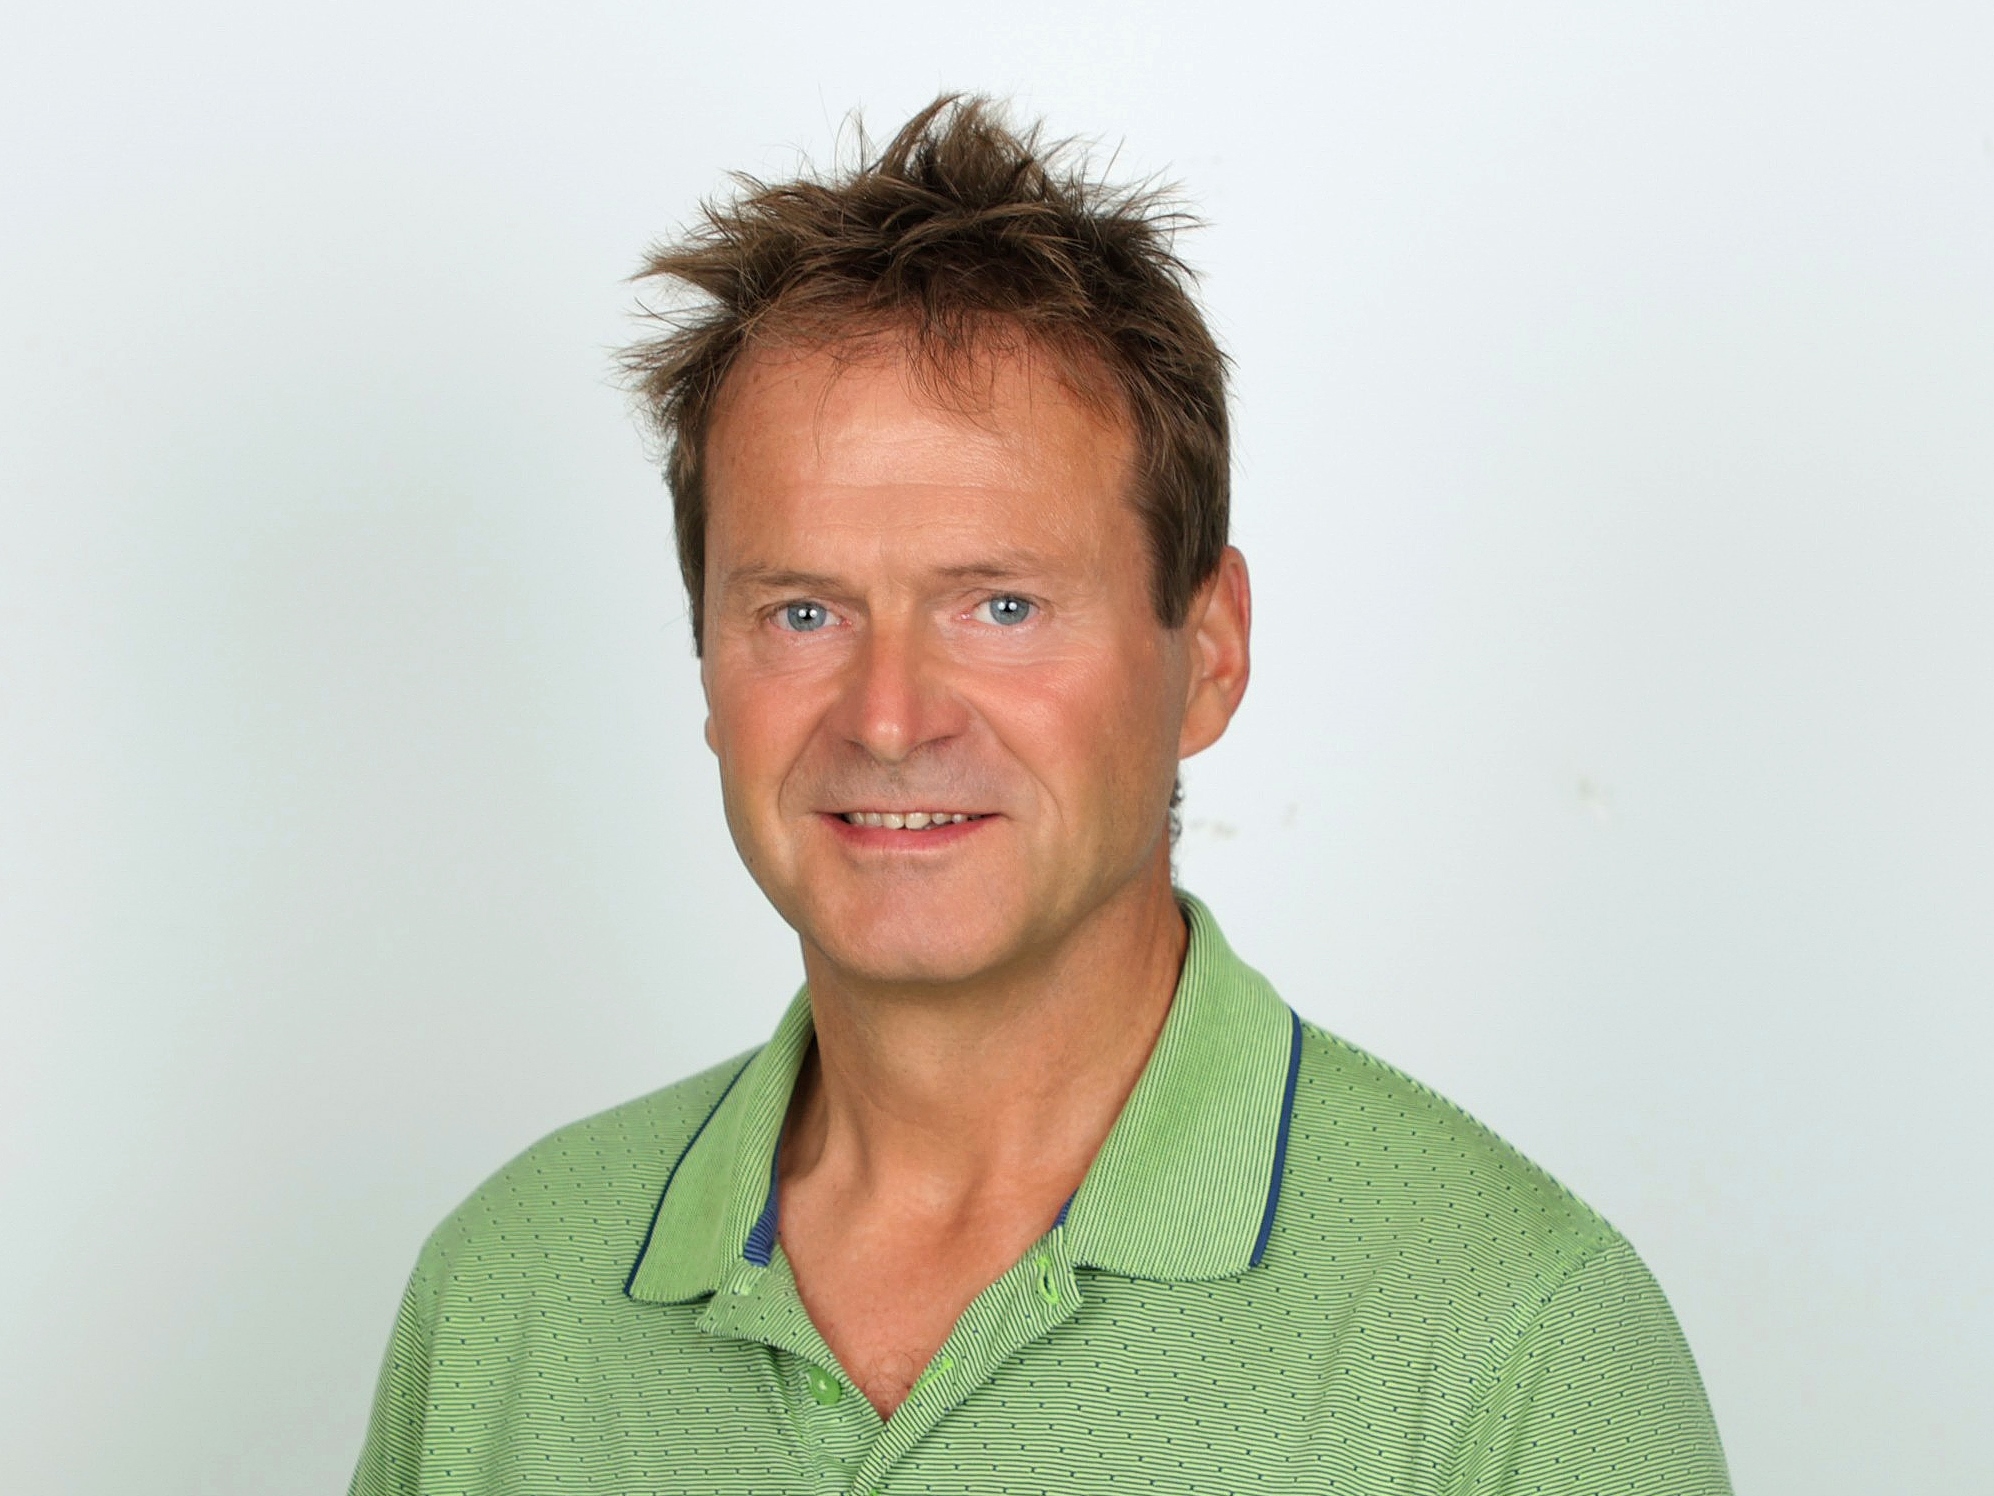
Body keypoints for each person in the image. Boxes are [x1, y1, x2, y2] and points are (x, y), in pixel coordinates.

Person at [350, 96, 1730, 1495]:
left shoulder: (1518, 1343)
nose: (889, 718)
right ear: (707, 660)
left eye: (1001, 606)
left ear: (1208, 652)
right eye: (802, 613)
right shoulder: (500, 1300)